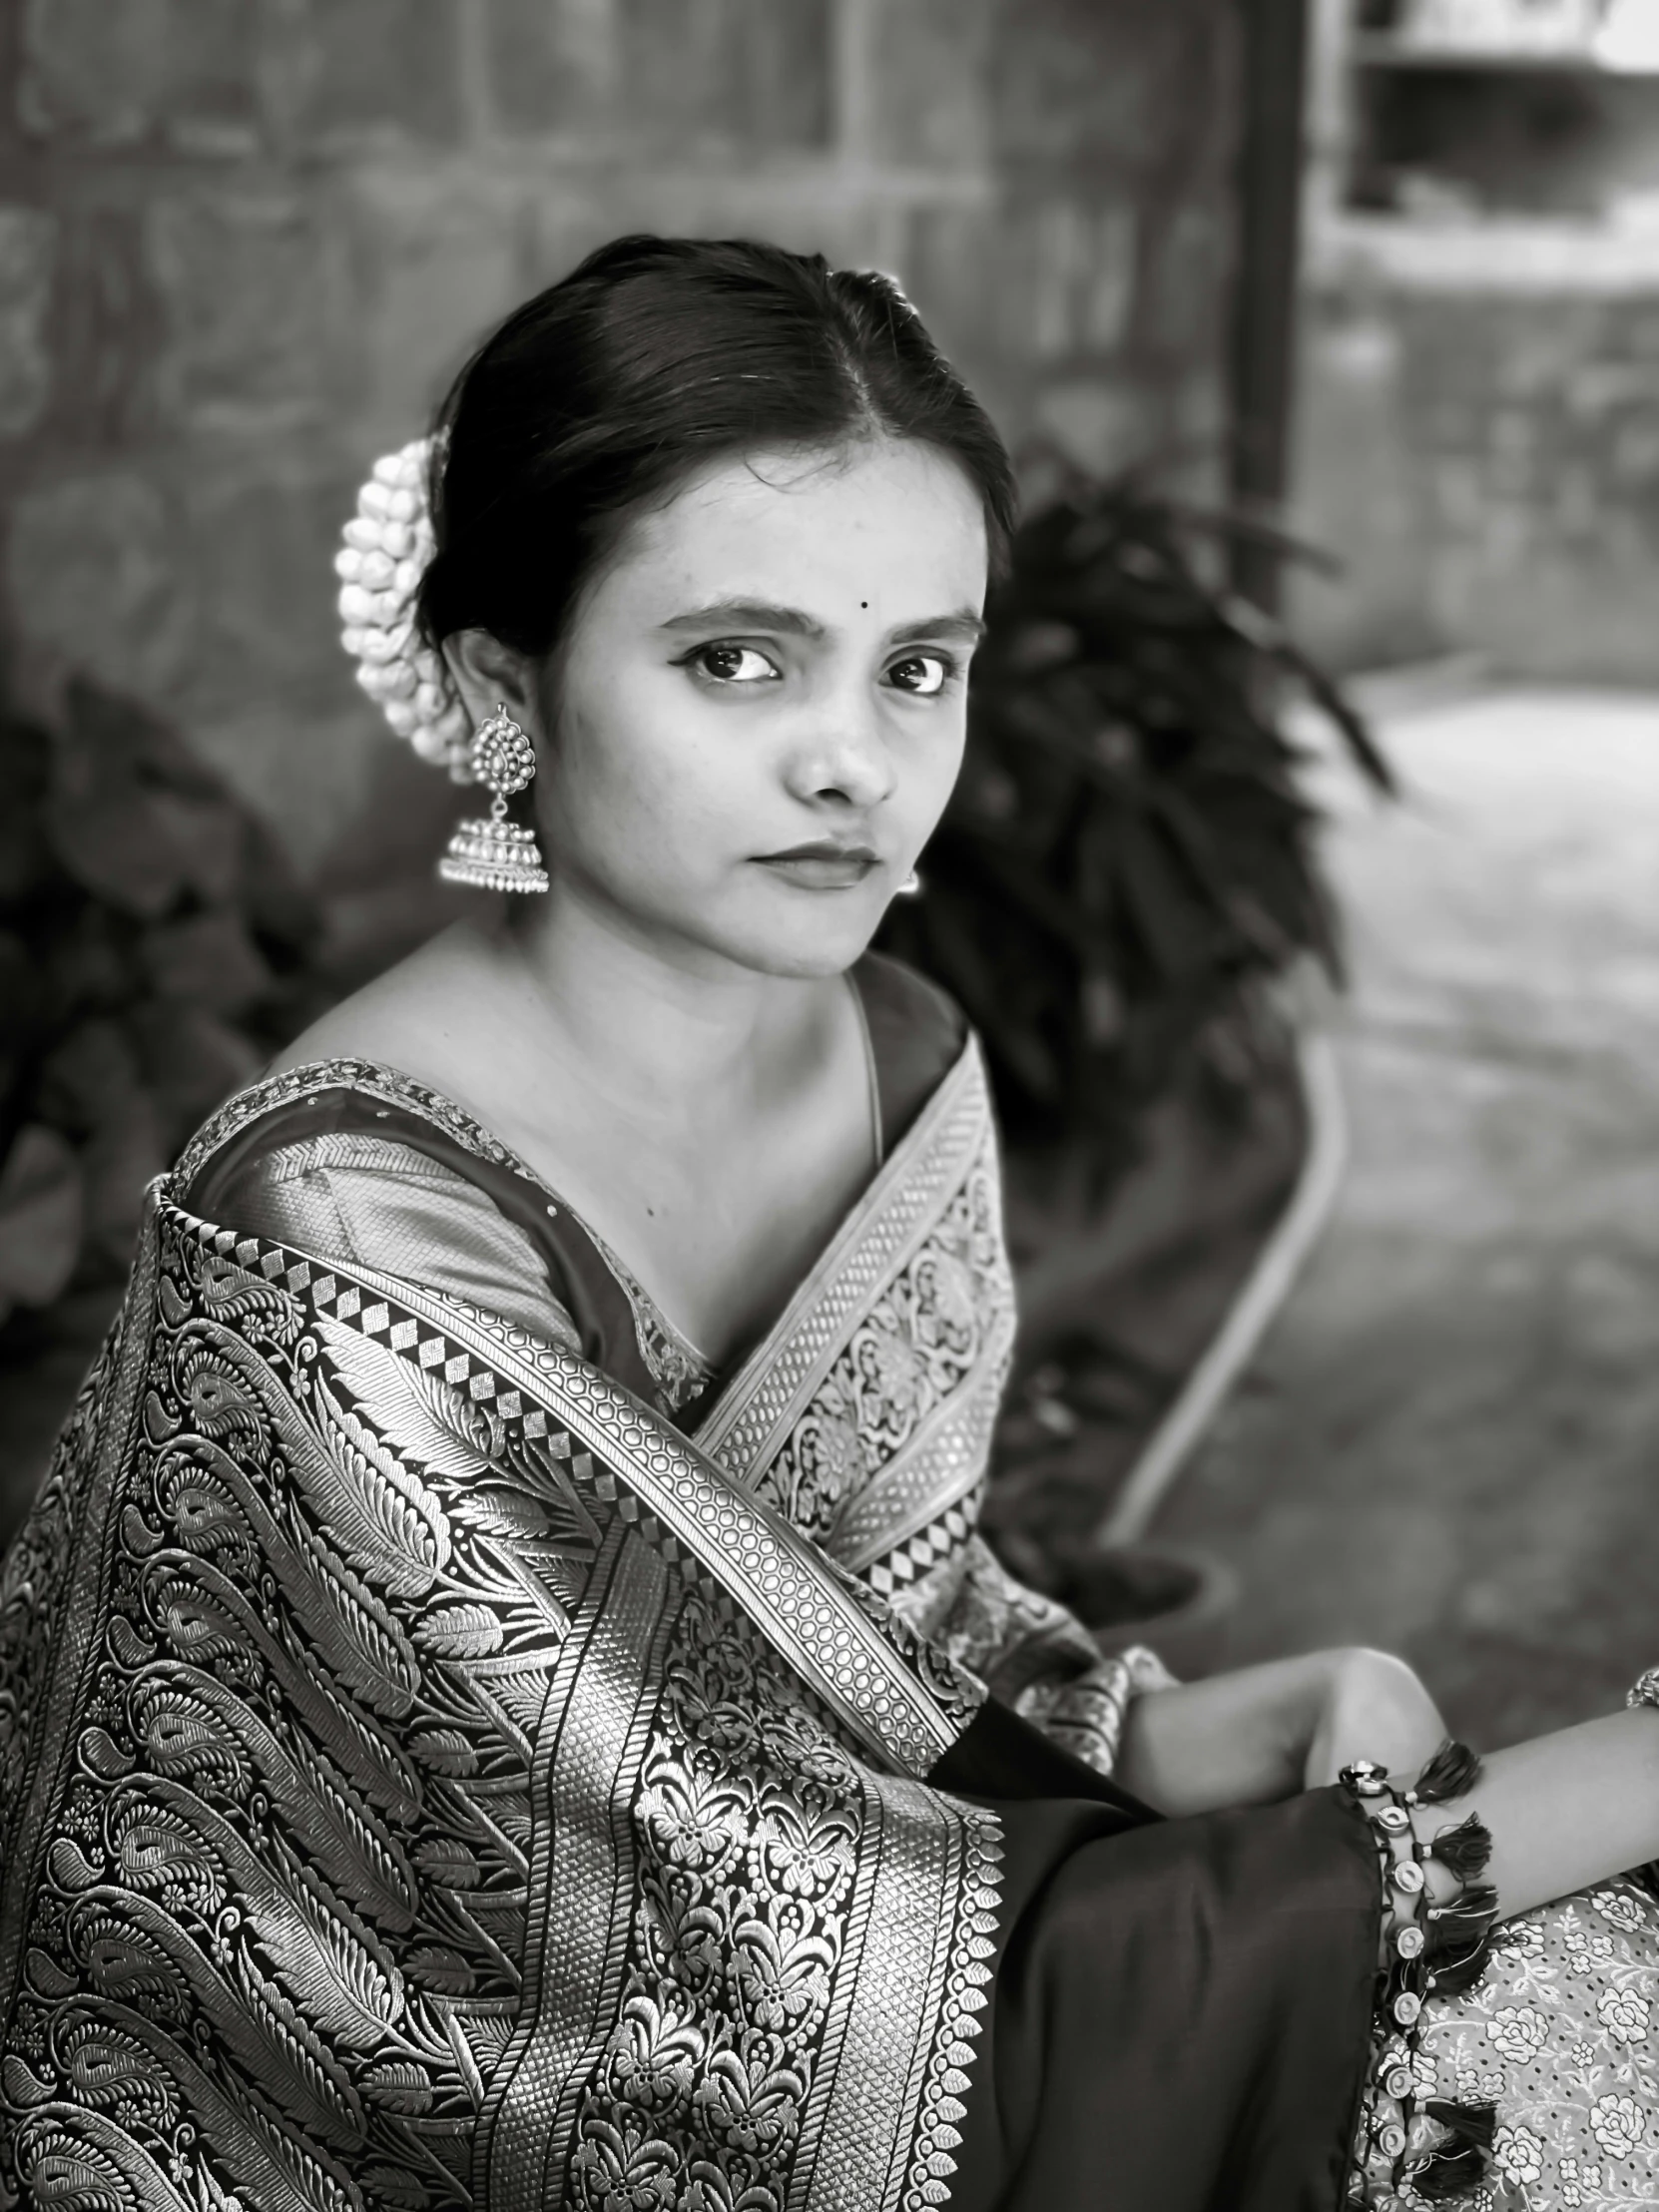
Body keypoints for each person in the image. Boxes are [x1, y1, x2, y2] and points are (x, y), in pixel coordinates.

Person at [0, 236, 1655, 2212]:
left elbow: (877, 1668)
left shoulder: (888, 1056)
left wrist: (1165, 1730)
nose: (854, 760)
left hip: (903, 1972)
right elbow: (750, 2031)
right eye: (736, 659)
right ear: (497, 684)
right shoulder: (348, 1231)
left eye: (919, 666)